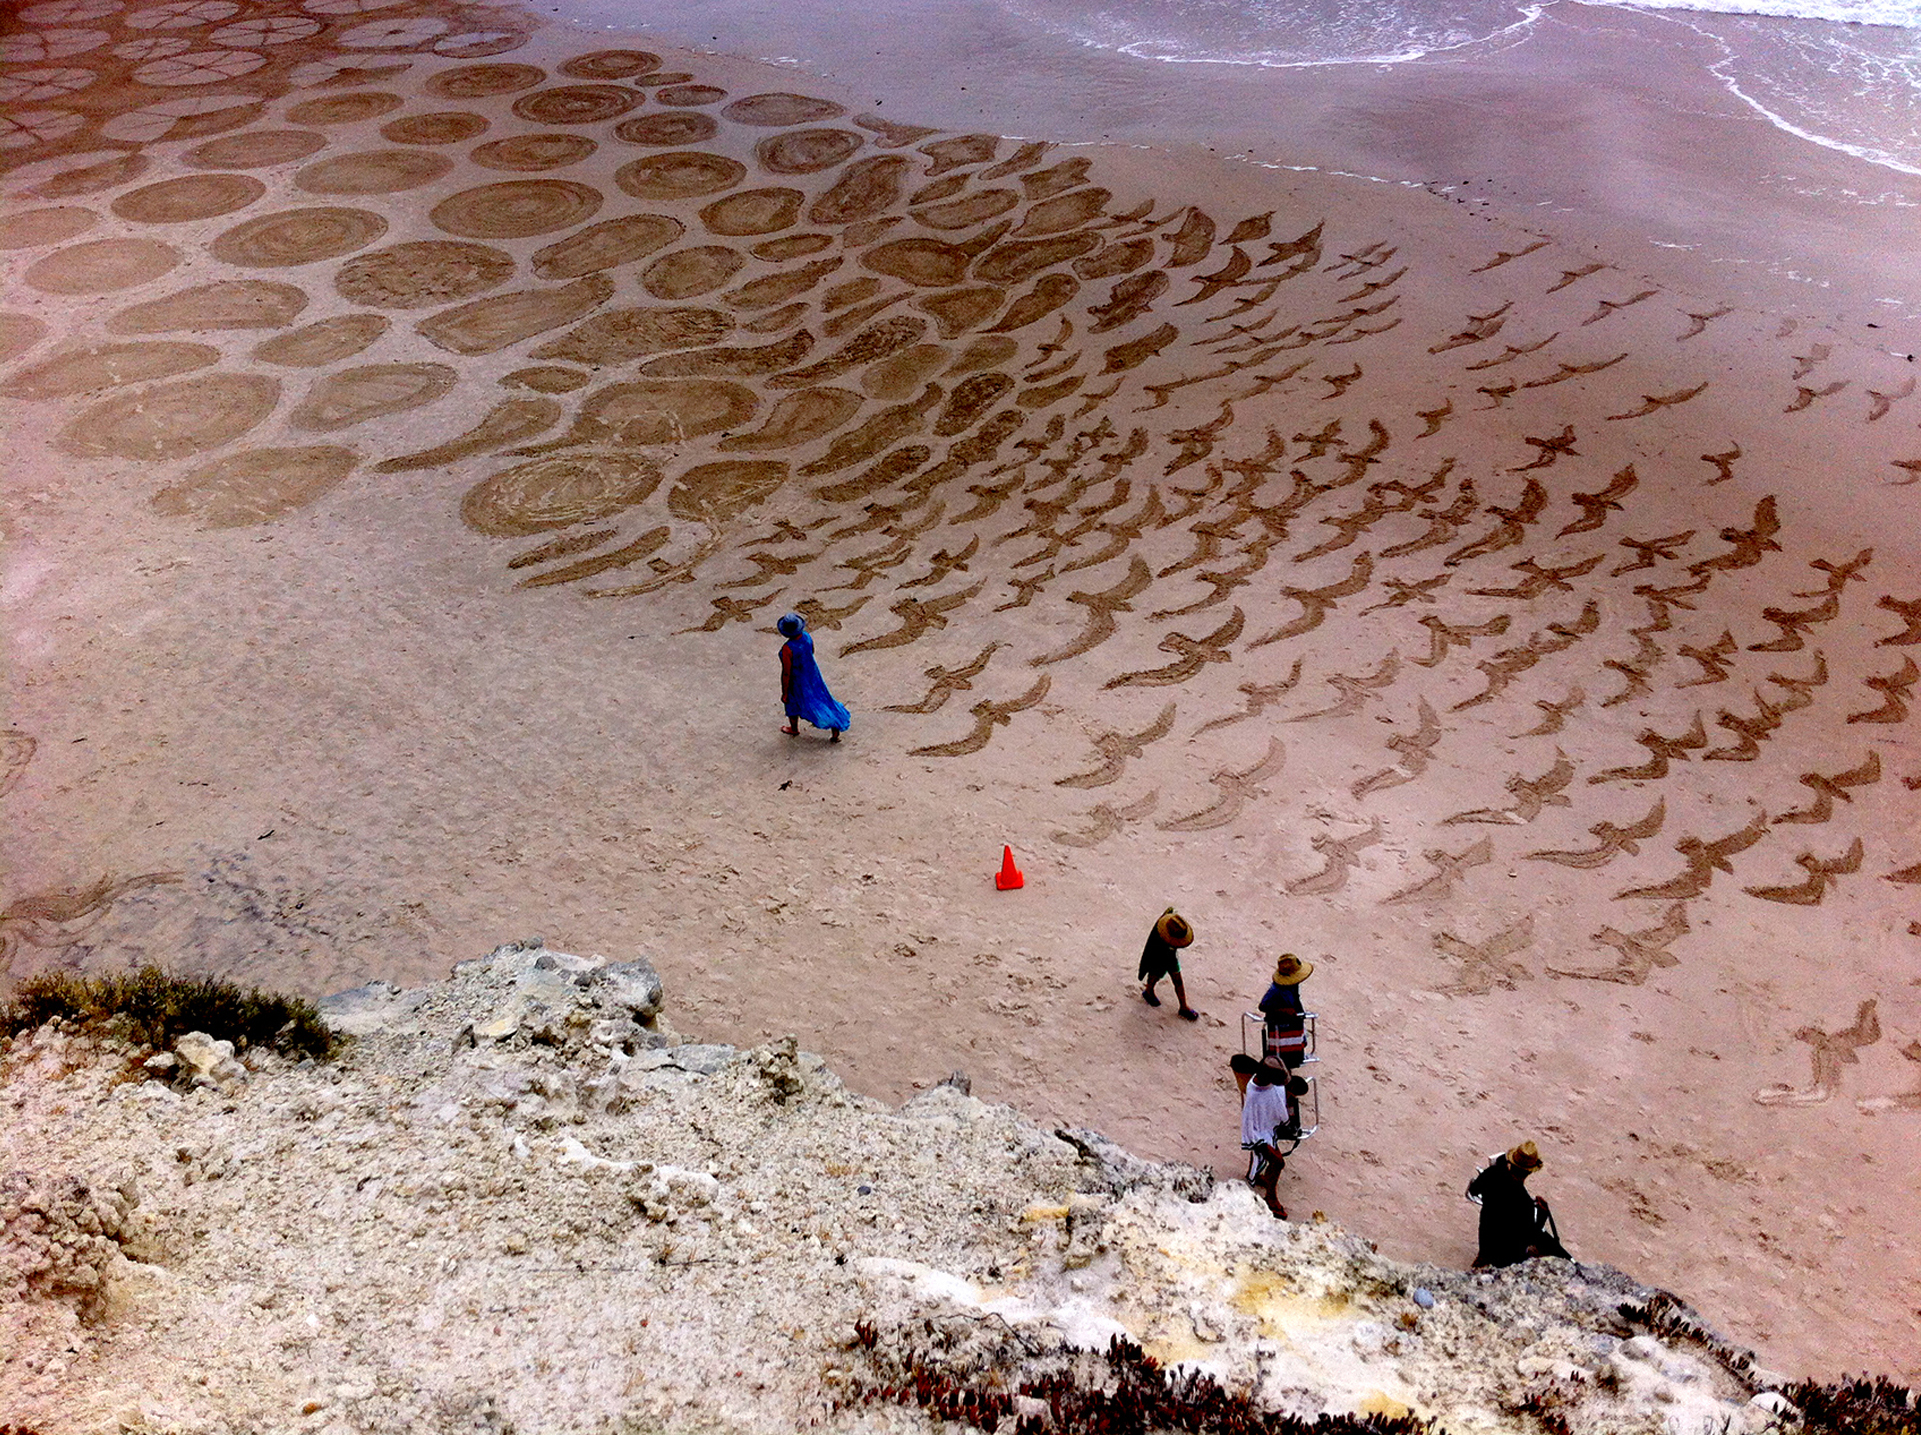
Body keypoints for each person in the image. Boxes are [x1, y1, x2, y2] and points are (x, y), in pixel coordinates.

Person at [1467, 1141, 1570, 1267]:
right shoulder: (1525, 1203)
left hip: (1486, 1242)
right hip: (1506, 1256)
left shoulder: (1491, 1174)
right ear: (1530, 1172)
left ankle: (1482, 1258)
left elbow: (1474, 1190)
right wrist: (1542, 1214)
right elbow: (1530, 1236)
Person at [1239, 1056, 1309, 1219]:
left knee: (1269, 1157)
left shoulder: (1270, 1085)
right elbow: (1252, 1119)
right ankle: (1271, 1197)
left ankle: (1256, 1176)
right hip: (1257, 1133)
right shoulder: (1255, 1094)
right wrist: (1255, 1140)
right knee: (1277, 1162)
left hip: (1268, 1129)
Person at [776, 612, 850, 742]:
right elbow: (812, 652)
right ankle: (835, 728)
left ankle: (794, 728)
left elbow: (787, 672)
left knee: (792, 703)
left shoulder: (788, 649)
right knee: (822, 699)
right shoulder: (807, 637)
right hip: (812, 675)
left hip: (797, 681)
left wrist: (785, 692)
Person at [1138, 907, 1198, 1021]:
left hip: (1164, 957)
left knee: (1156, 973)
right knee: (1173, 979)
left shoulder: (1160, 931)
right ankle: (1183, 1007)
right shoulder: (1163, 942)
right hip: (1164, 957)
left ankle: (1149, 991)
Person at [1258, 953, 1312, 1068]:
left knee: (1293, 1059)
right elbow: (1263, 1006)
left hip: (1295, 1026)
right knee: (1282, 1061)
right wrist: (1283, 1011)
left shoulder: (1293, 985)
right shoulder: (1276, 989)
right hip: (1282, 1030)